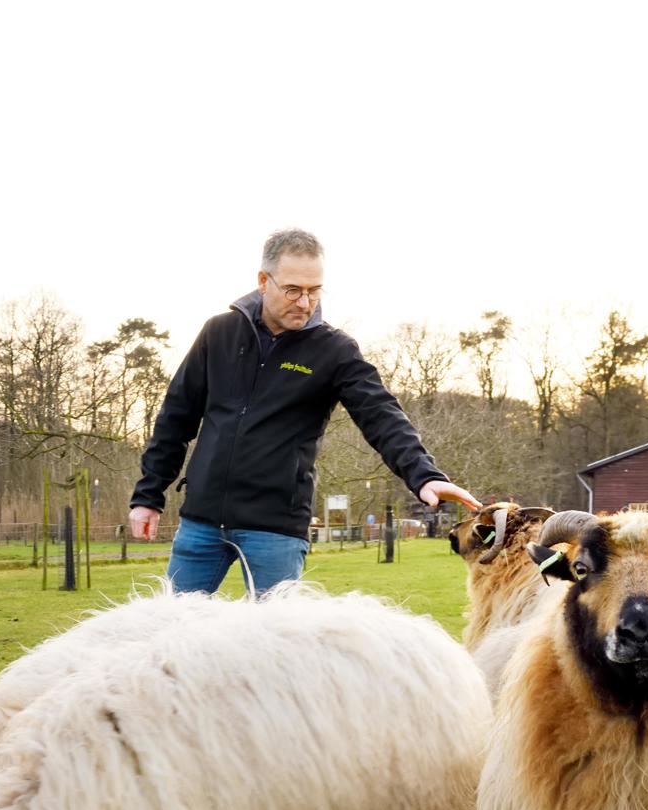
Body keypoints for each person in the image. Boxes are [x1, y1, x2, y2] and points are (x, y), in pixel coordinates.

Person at [128, 229, 479, 594]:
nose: (304, 302)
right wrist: (148, 496)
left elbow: (381, 414)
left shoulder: (334, 350)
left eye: (314, 291)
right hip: (200, 524)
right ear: (264, 282)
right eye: (293, 289)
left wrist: (424, 475)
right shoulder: (219, 333)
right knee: (172, 634)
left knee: (279, 645)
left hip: (275, 529)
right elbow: (175, 417)